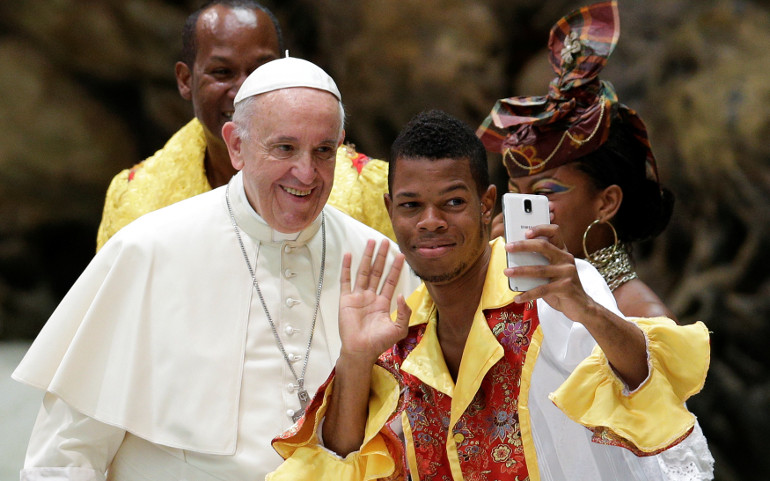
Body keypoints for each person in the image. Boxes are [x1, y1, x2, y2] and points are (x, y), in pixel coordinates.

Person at [13, 57, 418, 481]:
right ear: (237, 145)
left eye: (323, 151)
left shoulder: (378, 261)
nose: (306, 173)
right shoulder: (148, 251)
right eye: (284, 148)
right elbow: (66, 451)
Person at [266, 109, 710, 481]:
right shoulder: (400, 326)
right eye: (411, 205)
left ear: (486, 204)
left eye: (453, 202)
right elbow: (345, 460)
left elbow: (644, 383)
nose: (431, 221)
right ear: (390, 211)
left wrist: (587, 308)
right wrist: (356, 357)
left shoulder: (557, 287)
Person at [477, 1, 714, 477]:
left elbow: (668, 464)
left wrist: (581, 304)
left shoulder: (642, 315)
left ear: (606, 203)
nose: (529, 213)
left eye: (545, 195)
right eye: (518, 197)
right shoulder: (500, 288)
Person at [96, 0, 394, 251]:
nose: (244, 90)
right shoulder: (134, 199)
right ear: (186, 81)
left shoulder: (369, 190)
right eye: (222, 72)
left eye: (262, 70)